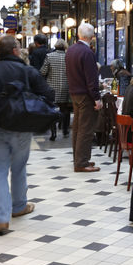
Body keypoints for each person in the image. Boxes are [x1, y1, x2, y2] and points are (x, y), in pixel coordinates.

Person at [0, 35, 55, 235]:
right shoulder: (27, 71)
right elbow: (49, 94)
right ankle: (19, 207)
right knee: (18, 168)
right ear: (16, 51)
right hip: (21, 128)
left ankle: (0, 219)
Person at [65, 23, 102, 173]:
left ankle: (79, 158)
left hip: (74, 93)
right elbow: (91, 78)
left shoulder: (71, 50)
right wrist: (97, 98)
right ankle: (81, 162)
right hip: (86, 95)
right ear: (92, 37)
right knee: (86, 129)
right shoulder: (87, 53)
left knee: (78, 128)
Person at [40, 39, 71, 141]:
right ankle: (65, 130)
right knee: (65, 109)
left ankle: (53, 133)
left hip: (52, 87)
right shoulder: (69, 56)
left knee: (53, 110)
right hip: (66, 87)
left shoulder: (49, 56)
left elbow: (43, 72)